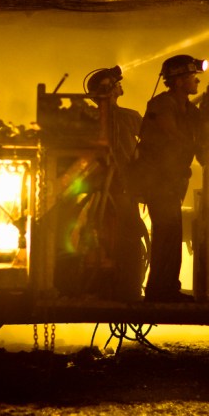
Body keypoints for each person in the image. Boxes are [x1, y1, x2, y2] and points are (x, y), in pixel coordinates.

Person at [137, 54, 207, 302]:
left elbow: (199, 140)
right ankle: (160, 291)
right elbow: (175, 136)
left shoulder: (190, 110)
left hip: (173, 181)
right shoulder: (160, 105)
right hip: (158, 180)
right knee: (166, 233)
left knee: (172, 234)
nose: (196, 82)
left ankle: (165, 289)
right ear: (178, 81)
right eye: (191, 77)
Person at [83, 66, 148, 301]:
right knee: (130, 235)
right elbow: (151, 145)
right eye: (117, 83)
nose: (121, 86)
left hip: (95, 192)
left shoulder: (86, 119)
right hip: (122, 189)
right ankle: (128, 289)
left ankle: (99, 286)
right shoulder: (129, 118)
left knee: (99, 235)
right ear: (110, 91)